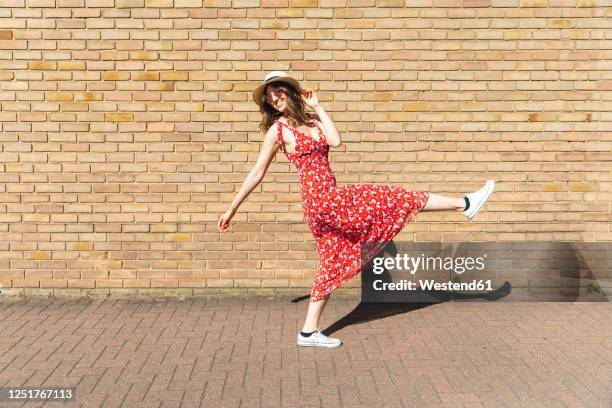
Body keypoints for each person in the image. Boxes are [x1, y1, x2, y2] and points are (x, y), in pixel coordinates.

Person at [218, 71, 495, 348]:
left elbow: (335, 141)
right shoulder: (277, 130)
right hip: (321, 201)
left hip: (329, 200)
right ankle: (464, 204)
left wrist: (318, 107)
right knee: (388, 197)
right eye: (268, 96)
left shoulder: (313, 121)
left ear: (289, 91)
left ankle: (308, 332)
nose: (272, 98)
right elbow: (257, 172)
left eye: (276, 91)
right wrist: (232, 208)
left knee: (331, 261)